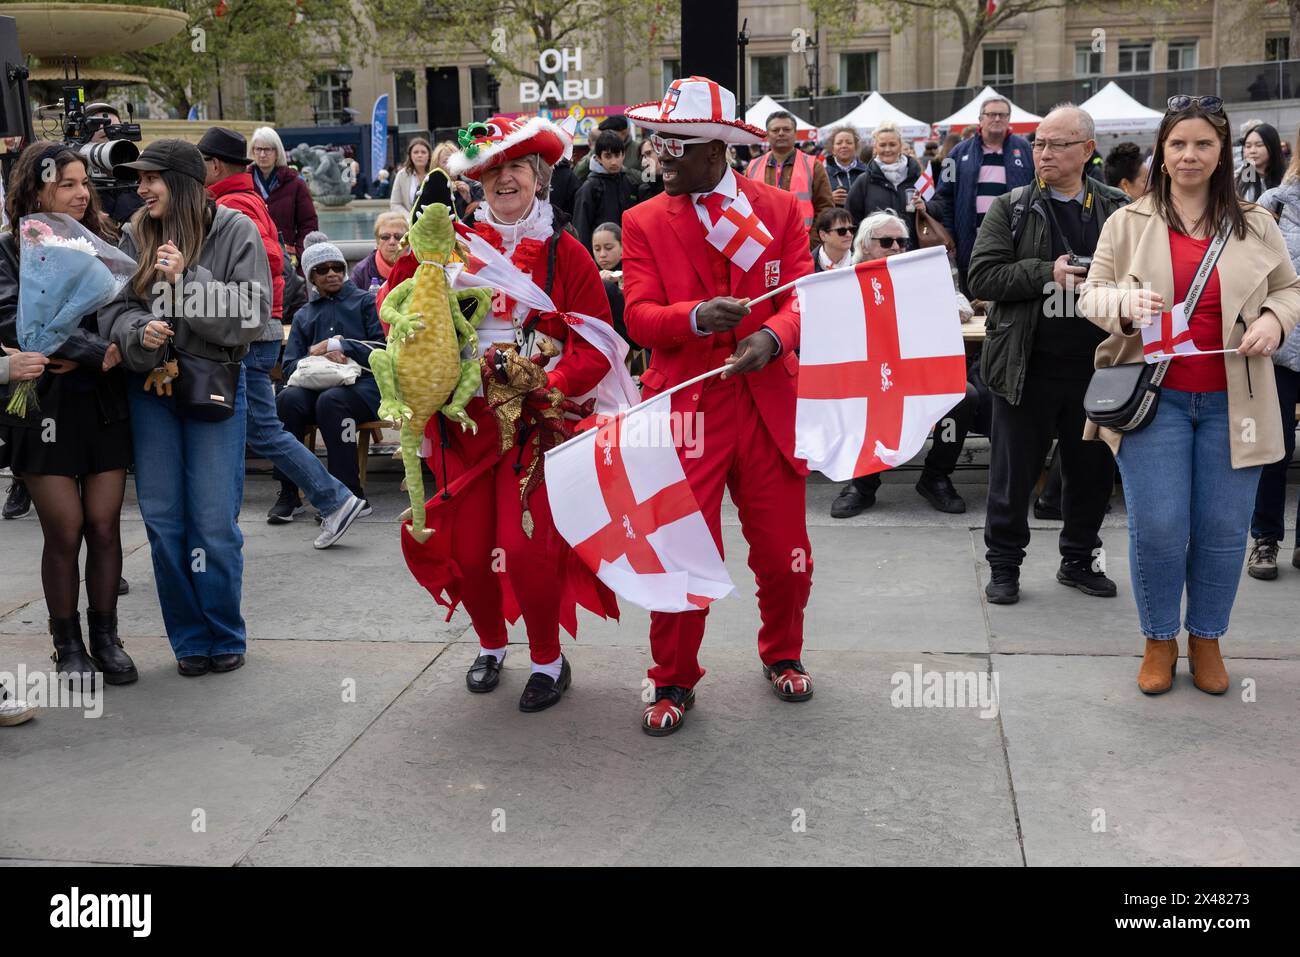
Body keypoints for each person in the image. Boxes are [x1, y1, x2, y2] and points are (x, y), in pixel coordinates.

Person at [383, 114, 630, 714]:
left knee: (525, 552)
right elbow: (398, 307)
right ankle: (491, 645)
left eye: (516, 167)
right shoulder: (449, 243)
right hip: (462, 423)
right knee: (468, 553)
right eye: (493, 169)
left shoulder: (566, 253)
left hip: (535, 428)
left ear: (540, 177)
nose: (504, 179)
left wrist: (550, 382)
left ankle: (547, 659)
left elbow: (596, 343)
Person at [1079, 94, 1300, 695]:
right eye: (1178, 143)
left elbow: (1290, 288)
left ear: (1222, 150)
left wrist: (1277, 322)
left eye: (1203, 143)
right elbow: (1090, 294)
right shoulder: (1127, 221)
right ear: (1162, 150)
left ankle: (1206, 637)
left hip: (1239, 401)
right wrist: (1122, 304)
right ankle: (1158, 639)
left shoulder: (1255, 221)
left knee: (1226, 529)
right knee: (1158, 527)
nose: (1190, 155)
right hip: (1156, 400)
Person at [623, 76, 816, 736]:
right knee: (679, 554)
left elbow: (803, 299)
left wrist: (773, 335)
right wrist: (696, 318)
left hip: (766, 408)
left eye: (674, 147)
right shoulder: (642, 220)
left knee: (787, 553)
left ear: (717, 150)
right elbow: (640, 317)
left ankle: (782, 652)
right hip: (686, 413)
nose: (660, 158)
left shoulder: (782, 210)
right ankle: (673, 675)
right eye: (658, 145)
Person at [104, 139, 272, 677]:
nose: (141, 188)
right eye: (139, 179)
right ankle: (189, 639)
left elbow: (253, 318)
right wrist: (138, 331)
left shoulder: (235, 231)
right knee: (164, 522)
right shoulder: (134, 234)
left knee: (213, 522)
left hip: (214, 385)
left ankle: (225, 630)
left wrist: (187, 282)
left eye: (151, 178)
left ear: (181, 183)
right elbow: (115, 310)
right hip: (151, 389)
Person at [967, 104, 1130, 605]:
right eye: (1038, 143)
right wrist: (1046, 273)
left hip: (1097, 369)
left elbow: (1145, 276)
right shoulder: (1011, 206)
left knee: (1091, 475)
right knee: (1012, 479)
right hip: (1026, 367)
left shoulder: (1119, 208)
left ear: (1087, 150)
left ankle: (1079, 559)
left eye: (1057, 144)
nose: (1043, 153)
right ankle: (1004, 567)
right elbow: (982, 277)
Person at [0, 143, 136, 685]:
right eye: (68, 184)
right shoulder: (9, 249)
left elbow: (122, 310)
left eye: (85, 183)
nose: (81, 193)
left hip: (102, 401)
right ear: (37, 190)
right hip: (40, 403)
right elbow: (12, 320)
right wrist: (89, 352)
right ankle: (67, 643)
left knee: (105, 526)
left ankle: (107, 637)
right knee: (66, 528)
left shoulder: (104, 242)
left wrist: (117, 344)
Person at [198, 128, 367, 549]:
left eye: (201, 163)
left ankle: (332, 499)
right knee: (249, 429)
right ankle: (229, 525)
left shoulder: (232, 204)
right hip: (258, 332)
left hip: (249, 334)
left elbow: (269, 262)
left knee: (259, 430)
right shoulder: (247, 198)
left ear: (215, 165)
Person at [829, 211, 984, 517]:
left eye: (901, 242)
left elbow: (962, 303)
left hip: (917, 373)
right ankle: (863, 483)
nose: (897, 248)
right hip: (866, 375)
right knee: (869, 396)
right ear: (865, 245)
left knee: (965, 396)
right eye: (887, 242)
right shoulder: (845, 279)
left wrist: (931, 307)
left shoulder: (917, 274)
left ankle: (936, 476)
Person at [276, 235, 383, 515]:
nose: (332, 273)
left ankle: (349, 492)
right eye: (323, 269)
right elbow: (289, 368)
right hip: (315, 387)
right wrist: (316, 355)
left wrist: (343, 346)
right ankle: (288, 492)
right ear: (311, 275)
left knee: (333, 401)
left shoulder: (365, 303)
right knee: (287, 400)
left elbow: (383, 350)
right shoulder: (304, 315)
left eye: (337, 267)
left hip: (363, 386)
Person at [1246, 130, 1300, 579]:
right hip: (1281, 346)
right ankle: (1265, 540)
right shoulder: (1276, 202)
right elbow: (1253, 273)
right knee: (1274, 449)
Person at [931, 97, 1036, 293]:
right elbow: (943, 197)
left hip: (1015, 245)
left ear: (1008, 119)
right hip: (969, 244)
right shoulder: (955, 153)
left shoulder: (1027, 151)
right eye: (991, 114)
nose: (997, 118)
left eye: (1002, 115)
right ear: (980, 119)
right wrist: (949, 236)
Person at [745, 110, 833, 246]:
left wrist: (812, 241)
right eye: (775, 130)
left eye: (786, 129)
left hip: (802, 243)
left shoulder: (813, 165)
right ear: (767, 135)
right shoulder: (753, 166)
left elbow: (825, 207)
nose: (781, 133)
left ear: (795, 134)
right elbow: (744, 206)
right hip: (761, 244)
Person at [847, 120, 928, 244]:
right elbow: (852, 220)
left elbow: (939, 206)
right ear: (875, 148)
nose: (887, 149)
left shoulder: (918, 176)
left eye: (892, 144)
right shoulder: (863, 181)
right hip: (877, 255)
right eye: (882, 145)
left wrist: (925, 206)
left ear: (900, 146)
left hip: (913, 252)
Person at [249, 127, 319, 258]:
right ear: (252, 151)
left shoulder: (295, 183)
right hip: (253, 256)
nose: (262, 154)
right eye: (258, 149)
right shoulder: (244, 182)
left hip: (286, 258)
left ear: (277, 152)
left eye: (268, 149)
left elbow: (308, 223)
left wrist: (298, 253)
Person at [572, 129, 640, 249]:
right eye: (608, 156)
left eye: (617, 155)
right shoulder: (589, 188)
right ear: (598, 158)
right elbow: (581, 229)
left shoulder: (630, 182)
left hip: (629, 252)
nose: (613, 161)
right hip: (601, 257)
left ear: (623, 155)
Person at [351, 211, 406, 291]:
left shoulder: (419, 267)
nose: (392, 242)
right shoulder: (361, 272)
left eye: (398, 236)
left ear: (407, 241)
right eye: (385, 237)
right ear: (377, 242)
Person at [1237, 121, 1285, 202]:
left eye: (1259, 145)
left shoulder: (1287, 179)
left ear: (1272, 147)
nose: (1252, 151)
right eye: (1248, 146)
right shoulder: (1236, 180)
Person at [824, 126, 869, 208]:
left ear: (855, 147)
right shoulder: (823, 174)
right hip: (834, 219)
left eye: (849, 142)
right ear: (833, 149)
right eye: (839, 143)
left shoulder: (867, 172)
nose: (844, 146)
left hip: (861, 220)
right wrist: (829, 198)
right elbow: (815, 201)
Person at [390, 137, 432, 217]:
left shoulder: (436, 174)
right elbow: (395, 203)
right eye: (416, 152)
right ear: (410, 155)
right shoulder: (401, 175)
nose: (420, 155)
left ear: (429, 155)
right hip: (409, 223)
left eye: (423, 152)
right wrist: (409, 218)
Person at [812, 206, 855, 271]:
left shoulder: (863, 263)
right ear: (823, 235)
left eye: (851, 229)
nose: (849, 235)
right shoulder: (806, 266)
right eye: (841, 231)